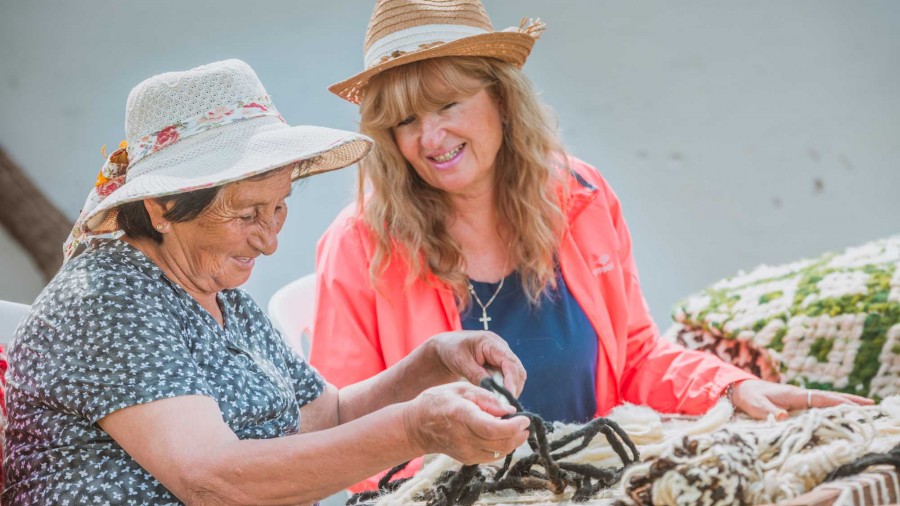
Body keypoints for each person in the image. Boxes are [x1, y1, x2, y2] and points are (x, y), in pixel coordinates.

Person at [309, 0, 873, 486]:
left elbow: (637, 359)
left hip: (595, 481)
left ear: (500, 99)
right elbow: (343, 437)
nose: (431, 138)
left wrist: (729, 388)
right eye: (406, 120)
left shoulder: (580, 195)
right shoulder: (359, 247)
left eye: (448, 104)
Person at [1, 59, 531, 505]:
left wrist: (431, 363)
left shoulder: (220, 295)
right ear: (163, 208)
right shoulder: (107, 298)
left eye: (278, 208)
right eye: (247, 213)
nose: (269, 240)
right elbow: (208, 478)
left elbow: (329, 417)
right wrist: (414, 429)